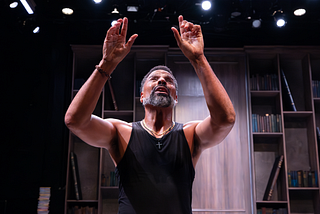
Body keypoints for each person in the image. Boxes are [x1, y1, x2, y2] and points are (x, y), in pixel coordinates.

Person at [65, 15, 236, 214]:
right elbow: (75, 120)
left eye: (168, 80)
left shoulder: (191, 134)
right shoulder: (121, 132)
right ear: (142, 95)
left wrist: (198, 59)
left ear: (176, 97)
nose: (162, 81)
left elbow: (226, 119)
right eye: (154, 79)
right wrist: (107, 64)